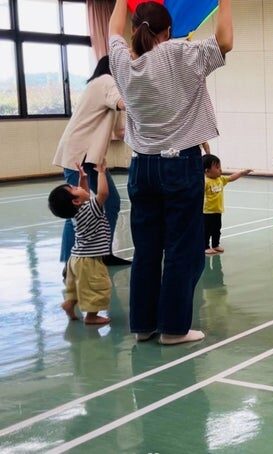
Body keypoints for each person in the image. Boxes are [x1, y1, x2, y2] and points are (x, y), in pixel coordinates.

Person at [108, 0, 233, 344]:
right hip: (180, 164)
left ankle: (143, 325)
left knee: (146, 250)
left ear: (135, 29)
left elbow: (112, 31)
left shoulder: (122, 61)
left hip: (142, 168)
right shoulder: (181, 53)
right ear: (167, 31)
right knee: (182, 248)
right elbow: (225, 41)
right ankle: (175, 329)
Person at [52, 56, 129, 268]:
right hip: (79, 154)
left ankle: (103, 254)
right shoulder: (106, 80)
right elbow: (123, 103)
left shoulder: (109, 86)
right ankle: (70, 262)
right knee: (75, 210)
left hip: (91, 157)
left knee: (111, 202)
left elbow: (120, 131)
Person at [48, 160, 113, 326]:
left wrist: (83, 179)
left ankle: (69, 304)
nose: (79, 187)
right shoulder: (91, 210)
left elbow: (83, 194)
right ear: (76, 201)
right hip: (89, 261)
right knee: (97, 287)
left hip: (75, 260)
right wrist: (101, 172)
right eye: (75, 189)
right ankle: (91, 316)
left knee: (78, 286)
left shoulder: (77, 212)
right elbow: (103, 194)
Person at [203, 154, 253, 255]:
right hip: (207, 212)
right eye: (217, 167)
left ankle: (215, 244)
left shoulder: (220, 179)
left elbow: (231, 178)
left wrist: (241, 173)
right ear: (207, 170)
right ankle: (205, 246)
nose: (220, 169)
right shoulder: (205, 182)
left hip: (218, 211)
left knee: (217, 229)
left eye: (220, 167)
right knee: (206, 230)